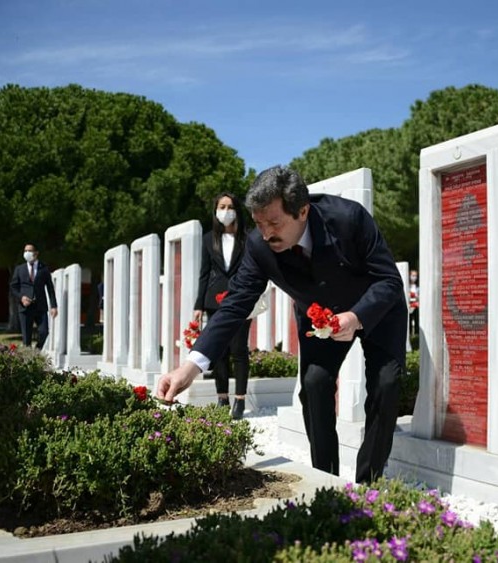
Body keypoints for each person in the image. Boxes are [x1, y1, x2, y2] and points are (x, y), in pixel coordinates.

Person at [157, 165, 407, 484]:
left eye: (274, 223)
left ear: (302, 211)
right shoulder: (260, 246)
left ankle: (368, 484)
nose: (265, 234)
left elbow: (388, 280)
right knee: (315, 385)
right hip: (318, 318)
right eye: (259, 224)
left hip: (378, 310)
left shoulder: (349, 219)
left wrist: (356, 317)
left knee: (386, 384)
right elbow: (234, 304)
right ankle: (326, 481)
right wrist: (190, 366)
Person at [193, 192, 252, 420]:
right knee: (218, 352)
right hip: (213, 300)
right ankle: (222, 397)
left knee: (239, 350)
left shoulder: (247, 238)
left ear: (237, 210)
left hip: (240, 298)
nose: (226, 211)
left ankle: (239, 399)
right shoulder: (209, 239)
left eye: (230, 206)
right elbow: (204, 273)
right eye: (222, 206)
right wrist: (199, 304)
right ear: (216, 211)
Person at [10, 243, 58, 349]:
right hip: (25, 307)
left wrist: (54, 306)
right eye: (25, 251)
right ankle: (28, 361)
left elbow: (50, 288)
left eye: (29, 251)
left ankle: (36, 351)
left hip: (40, 306)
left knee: (44, 332)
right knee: (26, 338)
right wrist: (21, 297)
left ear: (36, 253)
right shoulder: (19, 269)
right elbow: (13, 287)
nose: (27, 253)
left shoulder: (43, 268)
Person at [408, 269, 419, 343]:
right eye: (413, 275)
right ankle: (409, 335)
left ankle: (416, 335)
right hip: (409, 305)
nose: (414, 277)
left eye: (415, 276)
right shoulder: (407, 286)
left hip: (416, 305)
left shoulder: (418, 287)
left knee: (417, 320)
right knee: (409, 320)